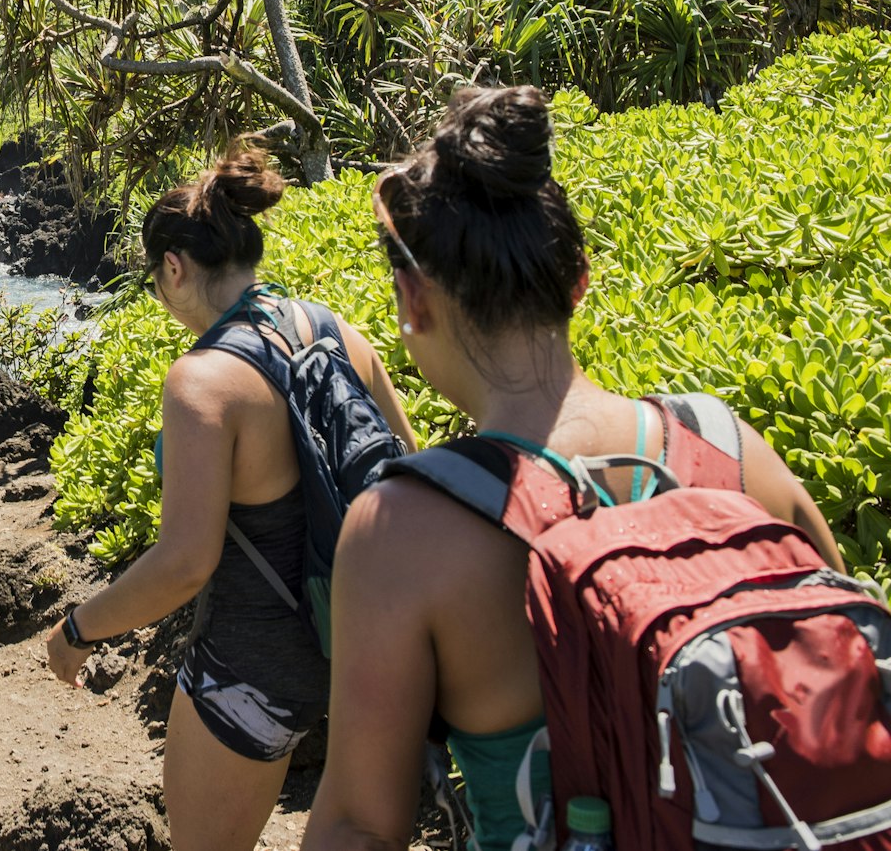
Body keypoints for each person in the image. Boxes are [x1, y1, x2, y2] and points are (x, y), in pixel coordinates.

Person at [303, 87, 843, 851]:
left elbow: (359, 827)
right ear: (579, 280)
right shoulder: (733, 448)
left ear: (412, 300)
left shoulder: (403, 533)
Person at [43, 139, 415, 851]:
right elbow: (411, 468)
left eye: (155, 279)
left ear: (174, 268)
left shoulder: (202, 382)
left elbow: (185, 562)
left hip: (254, 669)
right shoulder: (339, 333)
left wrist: (78, 631)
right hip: (367, 646)